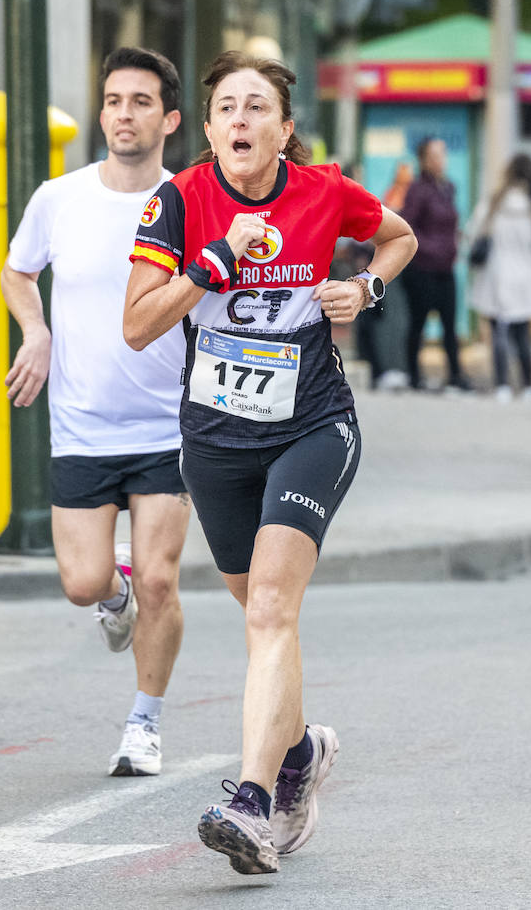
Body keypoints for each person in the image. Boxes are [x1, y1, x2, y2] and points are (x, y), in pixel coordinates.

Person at [124, 50, 417, 875]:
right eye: (226, 109)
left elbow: (398, 237)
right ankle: (297, 754)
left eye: (258, 109)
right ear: (209, 128)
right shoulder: (179, 202)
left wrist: (367, 290)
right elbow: (138, 324)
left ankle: (252, 801)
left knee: (270, 614)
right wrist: (214, 261)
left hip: (313, 425)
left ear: (285, 130)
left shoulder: (325, 192)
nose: (241, 122)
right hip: (215, 441)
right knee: (259, 618)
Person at [2, 47, 189, 778]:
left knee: (161, 582)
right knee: (84, 583)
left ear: (169, 118)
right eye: (114, 100)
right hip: (81, 424)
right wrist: (37, 332)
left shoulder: (190, 199)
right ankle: (112, 599)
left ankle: (144, 723)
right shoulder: (60, 197)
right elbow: (18, 271)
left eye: (141, 101)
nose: (123, 114)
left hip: (169, 427)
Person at [469, 153, 531, 402]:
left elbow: (473, 232)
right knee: (523, 334)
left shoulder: (494, 203)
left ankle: (502, 385)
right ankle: (529, 386)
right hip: (525, 276)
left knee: (498, 332)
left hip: (497, 274)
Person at [400, 138, 467, 392]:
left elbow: (450, 223)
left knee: (450, 324)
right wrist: (432, 247)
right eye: (435, 155)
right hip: (423, 269)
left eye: (443, 154)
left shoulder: (448, 187)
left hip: (446, 268)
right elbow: (408, 227)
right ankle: (413, 375)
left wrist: (455, 243)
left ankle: (456, 375)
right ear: (424, 160)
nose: (440, 160)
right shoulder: (418, 190)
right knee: (418, 323)